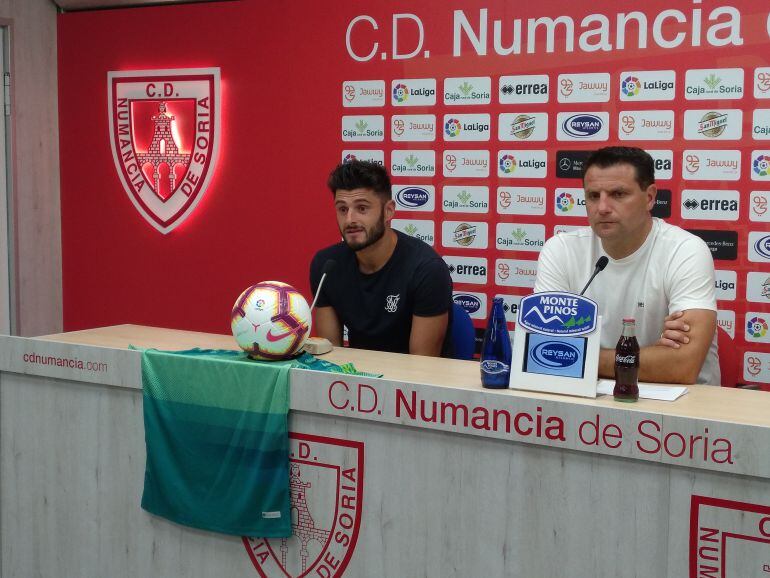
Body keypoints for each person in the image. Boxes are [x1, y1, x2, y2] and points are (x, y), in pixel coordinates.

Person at [534, 146, 720, 385]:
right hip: (588, 395)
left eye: (618, 194)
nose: (602, 207)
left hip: (679, 404)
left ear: (650, 197)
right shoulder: (561, 250)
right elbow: (540, 351)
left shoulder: (685, 250)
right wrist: (652, 356)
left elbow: (682, 365)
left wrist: (575, 355)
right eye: (593, 196)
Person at [309, 160, 453, 356]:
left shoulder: (427, 269)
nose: (350, 219)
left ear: (388, 211)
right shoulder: (327, 266)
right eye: (342, 209)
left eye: (362, 208)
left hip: (409, 381)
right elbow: (331, 356)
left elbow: (422, 369)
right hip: (355, 378)